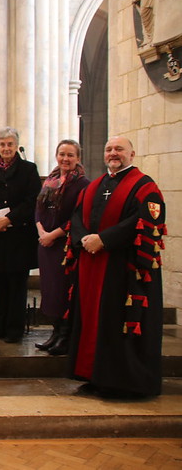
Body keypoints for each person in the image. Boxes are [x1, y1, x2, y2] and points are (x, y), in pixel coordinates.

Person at [68, 136, 166, 398]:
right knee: (93, 319)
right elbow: (76, 217)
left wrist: (105, 240)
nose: (113, 153)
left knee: (117, 321)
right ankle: (94, 375)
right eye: (109, 149)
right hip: (92, 264)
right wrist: (83, 239)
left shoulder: (145, 187)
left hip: (124, 269)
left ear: (131, 155)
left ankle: (123, 382)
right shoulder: (94, 186)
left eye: (119, 149)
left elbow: (144, 221)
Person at [0, 127, 41, 344]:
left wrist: (9, 218)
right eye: (2, 144)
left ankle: (14, 329)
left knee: (17, 285)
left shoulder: (28, 170)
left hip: (18, 235)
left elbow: (32, 201)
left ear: (16, 146)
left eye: (9, 145)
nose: (6, 148)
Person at [35, 140, 90, 355]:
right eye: (61, 154)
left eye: (70, 155)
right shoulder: (51, 179)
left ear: (78, 158)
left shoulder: (83, 184)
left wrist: (53, 235)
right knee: (49, 290)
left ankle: (65, 336)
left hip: (64, 245)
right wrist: (41, 231)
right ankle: (55, 332)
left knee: (62, 290)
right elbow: (38, 208)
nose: (65, 159)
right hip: (45, 244)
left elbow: (78, 216)